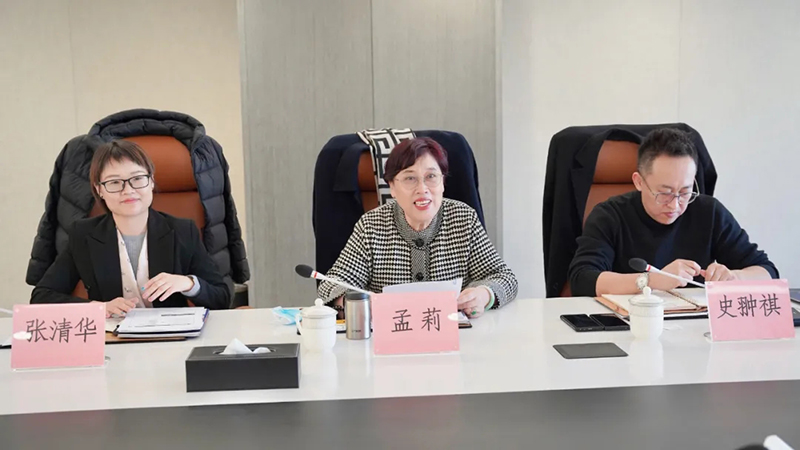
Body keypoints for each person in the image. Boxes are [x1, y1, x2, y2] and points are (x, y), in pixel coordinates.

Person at [318, 137, 518, 318]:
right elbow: (331, 286)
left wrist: (483, 295)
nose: (422, 189)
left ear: (443, 183)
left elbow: (504, 277)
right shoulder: (371, 225)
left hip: (454, 337)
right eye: (410, 178)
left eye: (431, 177)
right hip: (392, 336)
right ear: (392, 187)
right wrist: (357, 302)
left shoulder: (463, 218)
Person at [569, 128, 778, 297]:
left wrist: (734, 278)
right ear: (639, 182)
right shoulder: (610, 215)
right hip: (631, 324)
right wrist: (651, 281)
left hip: (694, 326)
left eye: (685, 192)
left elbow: (767, 271)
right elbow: (582, 279)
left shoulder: (709, 212)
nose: (675, 205)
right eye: (665, 193)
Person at [31, 140, 230, 315]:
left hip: (172, 337)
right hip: (112, 338)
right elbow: (42, 296)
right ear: (99, 190)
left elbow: (221, 298)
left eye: (137, 179)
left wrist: (188, 284)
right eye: (114, 182)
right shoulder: (83, 235)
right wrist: (98, 308)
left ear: (151, 181)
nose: (128, 190)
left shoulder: (183, 231)